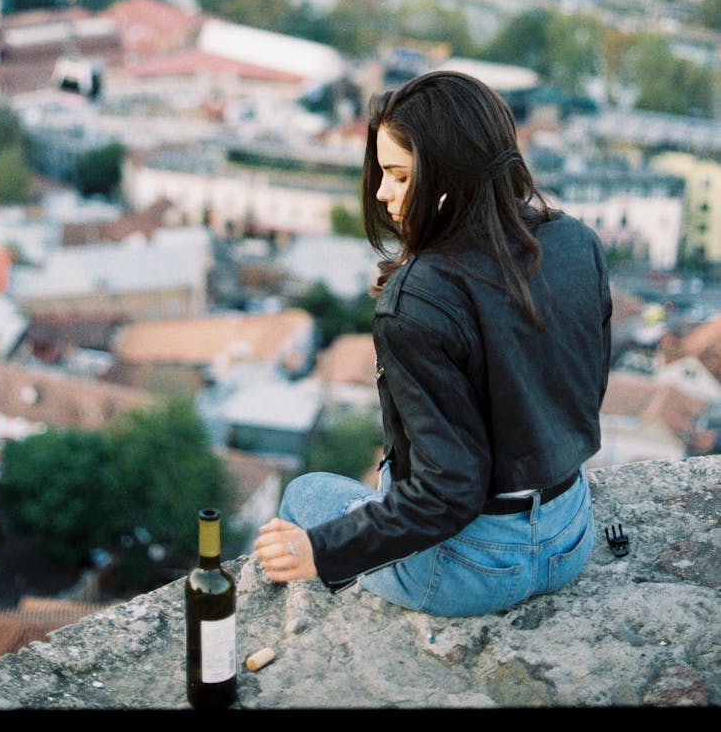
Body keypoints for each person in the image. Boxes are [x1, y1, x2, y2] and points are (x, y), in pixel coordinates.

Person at [255, 70, 612, 617]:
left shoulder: (417, 302)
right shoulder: (575, 242)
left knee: (306, 495)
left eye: (398, 176)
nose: (380, 193)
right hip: (570, 534)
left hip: (476, 569)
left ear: (449, 177)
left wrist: (322, 550)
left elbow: (449, 493)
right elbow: (583, 392)